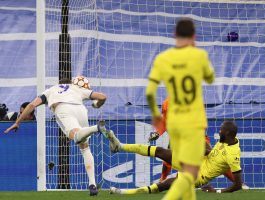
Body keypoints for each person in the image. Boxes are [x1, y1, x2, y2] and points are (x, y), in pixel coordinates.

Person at [145, 18, 215, 199]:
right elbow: (210, 78)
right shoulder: (199, 56)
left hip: (176, 123)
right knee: (191, 170)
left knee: (183, 167)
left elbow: (150, 93)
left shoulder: (163, 59)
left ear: (174, 35)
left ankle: (166, 182)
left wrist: (155, 118)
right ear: (193, 36)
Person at [4, 76, 108, 196]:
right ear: (70, 83)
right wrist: (97, 105)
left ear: (59, 84)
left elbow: (32, 105)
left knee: (75, 136)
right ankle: (92, 184)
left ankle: (96, 128)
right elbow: (103, 97)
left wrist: (17, 122)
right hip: (81, 110)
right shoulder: (76, 88)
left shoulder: (50, 90)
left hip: (63, 108)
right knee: (84, 147)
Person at [107, 121, 243, 195]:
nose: (219, 131)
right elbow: (210, 152)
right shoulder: (227, 139)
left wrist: (217, 191)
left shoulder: (233, 155)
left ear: (229, 133)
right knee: (161, 151)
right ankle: (119, 147)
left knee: (165, 184)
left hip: (199, 175)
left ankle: (124, 192)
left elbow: (237, 185)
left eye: (221, 130)